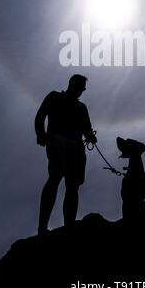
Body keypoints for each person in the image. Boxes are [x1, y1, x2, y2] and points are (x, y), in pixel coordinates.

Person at [35, 74, 97, 233]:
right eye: (81, 87)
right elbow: (40, 116)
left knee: (72, 185)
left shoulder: (82, 107)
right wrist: (41, 134)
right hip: (57, 140)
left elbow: (87, 128)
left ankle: (68, 226)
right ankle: (43, 227)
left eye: (83, 88)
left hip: (76, 146)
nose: (82, 90)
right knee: (55, 178)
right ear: (72, 84)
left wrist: (90, 135)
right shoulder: (54, 96)